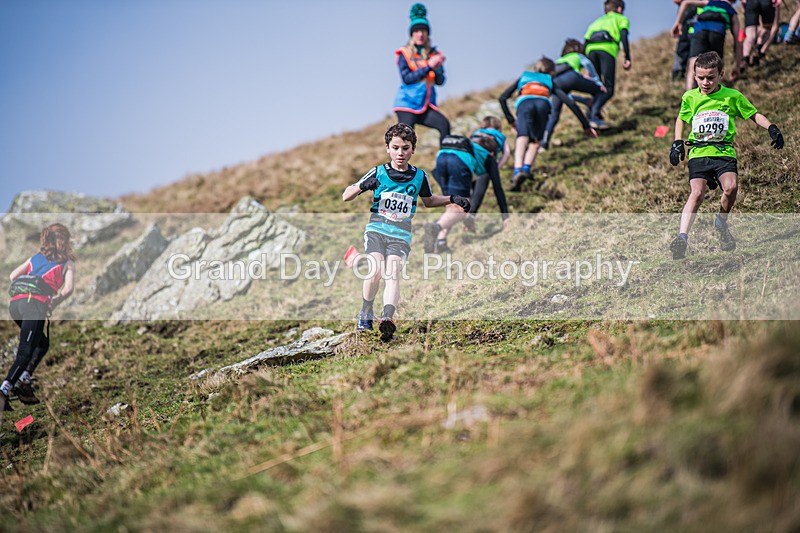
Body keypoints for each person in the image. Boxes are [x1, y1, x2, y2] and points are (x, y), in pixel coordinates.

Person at [342, 123, 469, 341]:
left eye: (406, 148)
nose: (401, 153)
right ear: (387, 148)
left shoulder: (419, 176)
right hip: (377, 230)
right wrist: (363, 186)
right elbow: (346, 195)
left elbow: (429, 201)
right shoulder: (379, 172)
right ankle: (366, 312)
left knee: (393, 274)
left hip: (400, 234)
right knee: (374, 273)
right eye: (396, 147)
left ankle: (387, 319)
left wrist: (452, 198)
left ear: (413, 150)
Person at [668, 52, 784, 260]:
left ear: (721, 74)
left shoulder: (732, 96)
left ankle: (721, 222)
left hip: (724, 152)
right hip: (699, 153)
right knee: (697, 193)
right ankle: (682, 238)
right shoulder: (690, 97)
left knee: (731, 187)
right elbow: (681, 119)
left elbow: (753, 114)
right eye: (701, 78)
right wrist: (677, 143)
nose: (705, 82)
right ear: (694, 76)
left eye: (711, 78)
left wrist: (771, 127)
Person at [0, 223, 76, 412]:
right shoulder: (67, 263)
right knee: (26, 350)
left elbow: (12, 275)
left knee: (42, 343)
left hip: (16, 305)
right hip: (34, 305)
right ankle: (4, 390)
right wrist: (55, 301)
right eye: (64, 239)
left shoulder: (35, 258)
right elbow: (68, 289)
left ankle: (24, 381)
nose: (65, 243)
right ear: (63, 241)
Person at [499, 57, 597, 192]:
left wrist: (511, 120)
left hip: (524, 104)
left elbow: (502, 98)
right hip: (542, 104)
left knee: (522, 138)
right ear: (552, 72)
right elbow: (570, 102)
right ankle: (526, 169)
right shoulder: (549, 80)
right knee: (535, 141)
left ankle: (517, 172)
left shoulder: (524, 76)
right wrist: (586, 126)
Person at [425, 130, 508, 253]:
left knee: (453, 206)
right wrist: (505, 216)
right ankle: (436, 227)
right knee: (462, 209)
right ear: (492, 152)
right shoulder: (488, 157)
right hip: (458, 162)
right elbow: (498, 189)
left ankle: (440, 242)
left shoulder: (473, 150)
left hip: (441, 159)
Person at [393, 3, 450, 141]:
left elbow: (440, 81)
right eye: (416, 31)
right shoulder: (404, 53)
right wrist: (429, 67)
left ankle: (443, 161)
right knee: (406, 139)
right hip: (406, 104)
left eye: (423, 31)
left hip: (425, 106)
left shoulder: (434, 53)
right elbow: (407, 78)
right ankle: (400, 163)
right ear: (412, 34)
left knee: (444, 125)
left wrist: (438, 68)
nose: (420, 34)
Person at [541, 39, 606, 151]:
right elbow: (588, 64)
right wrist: (598, 82)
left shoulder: (559, 61)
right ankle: (594, 118)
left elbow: (567, 98)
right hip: (571, 77)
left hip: (555, 83)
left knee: (554, 115)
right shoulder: (577, 56)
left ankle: (544, 143)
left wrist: (583, 100)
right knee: (599, 91)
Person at [672, 0, 743, 92]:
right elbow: (738, 42)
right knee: (716, 64)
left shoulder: (709, 2)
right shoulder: (732, 11)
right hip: (717, 33)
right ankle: (713, 96)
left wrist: (678, 22)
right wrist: (737, 66)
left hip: (699, 31)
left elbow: (685, 2)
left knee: (693, 63)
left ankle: (689, 97)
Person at [583, 0, 632, 129]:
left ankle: (591, 117)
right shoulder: (621, 19)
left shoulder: (596, 22)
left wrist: (586, 66)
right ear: (620, 9)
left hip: (590, 52)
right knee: (609, 89)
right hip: (607, 50)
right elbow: (623, 35)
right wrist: (627, 56)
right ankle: (593, 116)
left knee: (597, 87)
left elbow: (585, 41)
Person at [742, 0, 783, 64]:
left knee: (750, 34)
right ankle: (759, 51)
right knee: (768, 28)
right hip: (766, 2)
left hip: (751, 2)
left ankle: (745, 59)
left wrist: (743, 5)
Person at [672, 0, 699, 81]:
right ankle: (678, 75)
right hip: (686, 20)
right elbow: (676, 1)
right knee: (682, 48)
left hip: (698, 22)